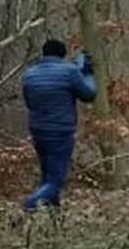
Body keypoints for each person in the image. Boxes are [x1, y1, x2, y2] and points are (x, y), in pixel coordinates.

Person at [20, 38, 97, 212]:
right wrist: (88, 73)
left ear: (44, 53)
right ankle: (30, 204)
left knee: (47, 176)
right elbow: (89, 94)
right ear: (63, 55)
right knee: (56, 180)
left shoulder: (29, 74)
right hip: (60, 132)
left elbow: (29, 102)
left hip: (38, 131)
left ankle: (55, 217)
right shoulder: (69, 72)